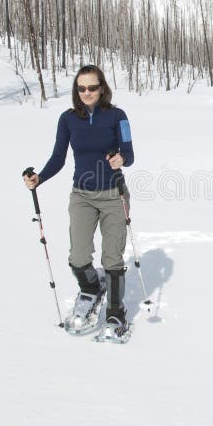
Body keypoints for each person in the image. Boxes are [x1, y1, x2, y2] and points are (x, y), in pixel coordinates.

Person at [24, 65, 134, 330]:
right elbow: (58, 157)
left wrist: (121, 159)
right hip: (82, 197)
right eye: (81, 88)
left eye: (92, 87)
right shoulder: (68, 119)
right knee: (79, 256)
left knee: (112, 257)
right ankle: (91, 287)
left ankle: (115, 310)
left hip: (113, 195)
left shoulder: (118, 116)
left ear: (102, 88)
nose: (87, 92)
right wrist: (39, 178)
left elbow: (129, 154)